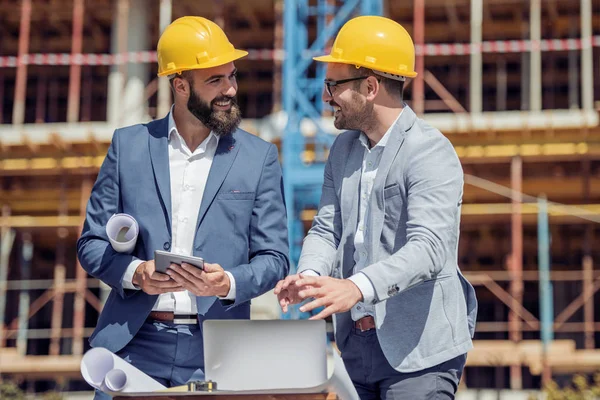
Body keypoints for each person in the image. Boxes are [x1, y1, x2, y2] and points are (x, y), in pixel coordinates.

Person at [77, 16, 289, 398]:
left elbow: (274, 258)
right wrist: (135, 272)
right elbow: (91, 244)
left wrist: (228, 283)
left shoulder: (259, 158)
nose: (230, 89)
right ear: (180, 85)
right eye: (215, 81)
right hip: (134, 344)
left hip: (218, 350)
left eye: (232, 76)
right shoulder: (129, 148)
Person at [274, 15, 477, 399]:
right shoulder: (344, 150)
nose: (325, 97)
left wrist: (355, 287)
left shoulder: (429, 151)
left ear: (370, 86)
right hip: (355, 349)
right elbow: (326, 229)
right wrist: (311, 276)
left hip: (418, 353)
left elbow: (429, 249)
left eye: (333, 85)